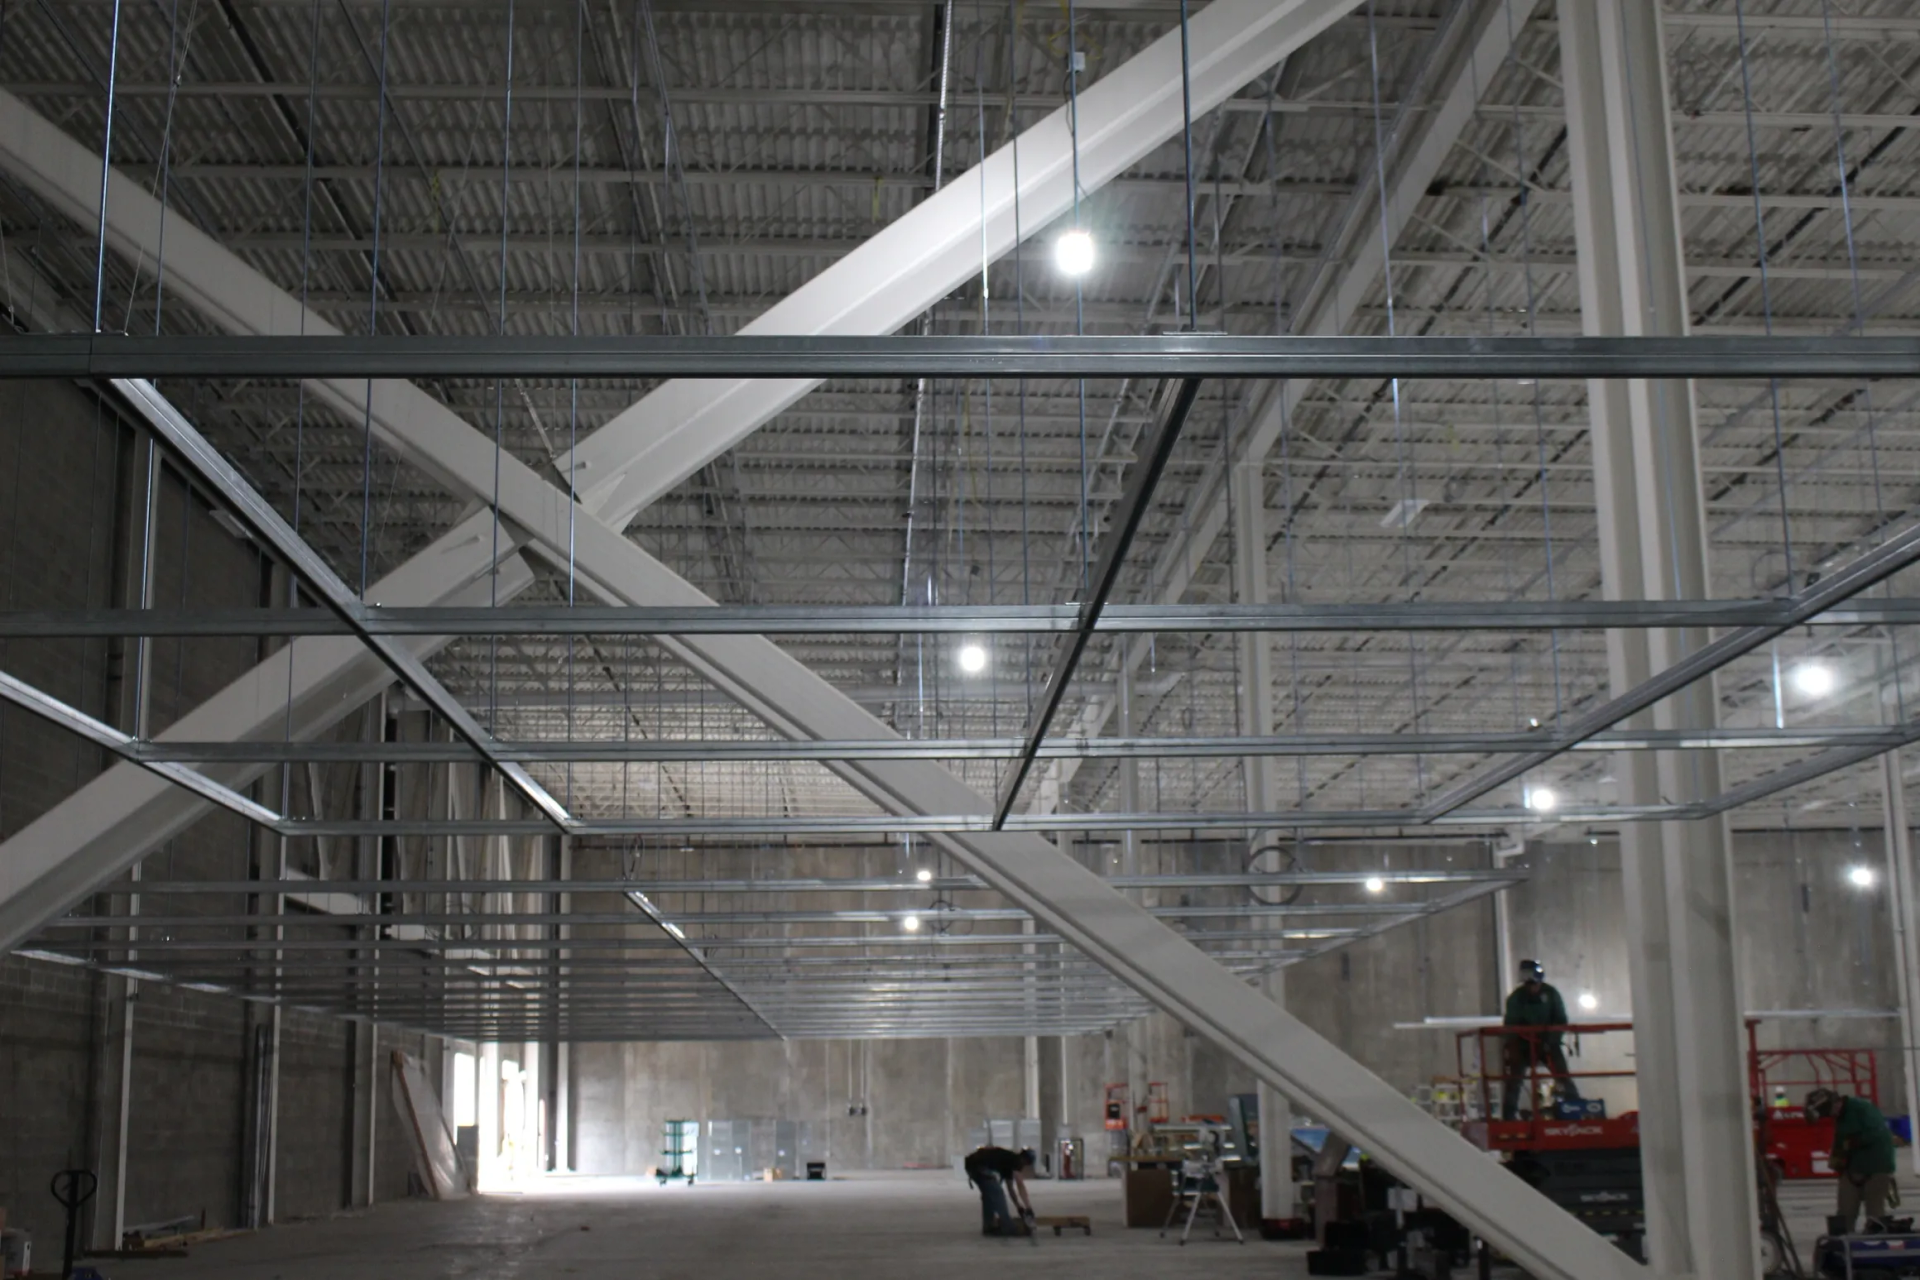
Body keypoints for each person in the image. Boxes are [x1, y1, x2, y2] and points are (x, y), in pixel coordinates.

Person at [1806, 1088, 1899, 1232]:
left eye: (1830, 1112)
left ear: (1835, 1103)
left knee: (1875, 1214)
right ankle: (1843, 1240)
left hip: (1877, 1168)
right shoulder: (1840, 1117)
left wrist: (1853, 1142)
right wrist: (1837, 1160)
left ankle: (1875, 1239)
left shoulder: (1862, 1108)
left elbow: (1877, 1133)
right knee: (1844, 1213)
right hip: (1853, 1170)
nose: (1831, 1116)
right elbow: (1840, 1140)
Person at [1500, 959, 1582, 1120]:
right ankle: (1508, 1116)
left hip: (1548, 1044)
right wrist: (1516, 1043)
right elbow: (1510, 1025)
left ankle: (1575, 1109)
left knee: (1562, 1076)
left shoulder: (1551, 994)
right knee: (1514, 1080)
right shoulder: (1516, 998)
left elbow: (1560, 1020)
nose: (1532, 986)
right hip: (1523, 1045)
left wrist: (1551, 1040)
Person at [962, 1146, 1036, 1236]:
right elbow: (1020, 1185)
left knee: (989, 1196)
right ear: (1025, 1160)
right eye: (1026, 1164)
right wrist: (1028, 1207)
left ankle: (988, 1226)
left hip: (972, 1165)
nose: (1024, 1167)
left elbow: (1010, 1189)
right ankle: (1008, 1228)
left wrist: (1019, 1207)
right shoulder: (1016, 1161)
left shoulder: (1009, 1161)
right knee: (998, 1194)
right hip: (979, 1166)